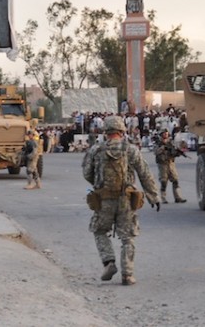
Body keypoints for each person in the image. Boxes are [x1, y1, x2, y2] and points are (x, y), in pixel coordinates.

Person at [82, 115, 159, 286]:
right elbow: (144, 173)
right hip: (126, 199)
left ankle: (109, 262)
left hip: (104, 199)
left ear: (106, 131)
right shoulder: (130, 149)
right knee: (128, 236)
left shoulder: (96, 149)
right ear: (122, 131)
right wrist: (153, 196)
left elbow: (87, 173)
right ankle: (128, 275)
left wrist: (99, 184)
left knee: (100, 230)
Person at [154, 130, 186, 204]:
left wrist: (177, 152)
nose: (166, 135)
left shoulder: (170, 143)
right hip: (162, 164)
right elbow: (156, 152)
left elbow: (173, 153)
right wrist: (163, 148)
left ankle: (178, 197)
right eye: (164, 134)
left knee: (175, 180)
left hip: (170, 163)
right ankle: (163, 198)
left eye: (167, 134)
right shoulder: (158, 142)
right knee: (163, 181)